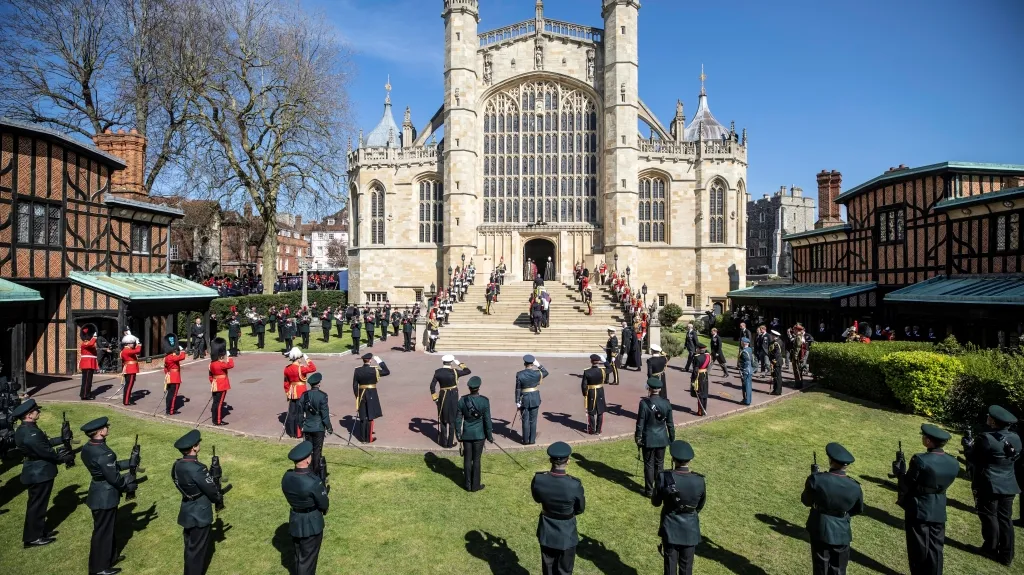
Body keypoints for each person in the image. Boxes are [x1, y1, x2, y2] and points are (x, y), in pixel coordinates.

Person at [893, 424, 959, 575]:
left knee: (918, 548)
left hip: (919, 508)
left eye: (924, 436)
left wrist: (899, 473)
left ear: (929, 441)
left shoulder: (920, 460)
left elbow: (907, 484)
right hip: (939, 508)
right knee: (936, 548)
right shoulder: (953, 462)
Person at [81, 416, 137, 575]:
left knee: (107, 529)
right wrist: (127, 485)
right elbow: (114, 478)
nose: (108, 428)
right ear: (100, 431)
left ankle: (109, 558)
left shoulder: (88, 448)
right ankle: (99, 569)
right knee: (103, 533)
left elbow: (108, 468)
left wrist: (129, 463)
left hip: (97, 491)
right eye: (106, 427)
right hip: (105, 497)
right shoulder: (104, 453)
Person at [965, 405, 1021, 566]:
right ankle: (1006, 555)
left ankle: (989, 548)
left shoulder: (985, 438)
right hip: (1009, 482)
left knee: (989, 516)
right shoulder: (1016, 438)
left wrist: (968, 446)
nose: (987, 417)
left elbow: (973, 459)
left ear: (994, 422)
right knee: (1005, 519)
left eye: (989, 416)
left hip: (989, 483)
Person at [13, 399, 73, 548]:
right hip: (39, 472)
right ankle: (33, 538)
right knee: (37, 506)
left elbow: (43, 443)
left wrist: (62, 438)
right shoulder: (30, 433)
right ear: (29, 415)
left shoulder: (27, 429)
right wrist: (61, 457)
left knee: (38, 505)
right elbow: (45, 451)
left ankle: (37, 532)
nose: (38, 412)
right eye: (36, 411)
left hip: (37, 471)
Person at [802, 442, 864, 575]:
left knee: (821, 568)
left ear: (830, 460)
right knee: (839, 569)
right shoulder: (855, 486)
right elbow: (858, 509)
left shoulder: (817, 480)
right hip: (842, 531)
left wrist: (813, 479)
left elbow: (806, 501)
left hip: (820, 528)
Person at [172, 430, 224, 575]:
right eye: (198, 443)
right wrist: (218, 497)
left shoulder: (178, 465)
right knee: (197, 550)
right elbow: (212, 491)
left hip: (187, 510)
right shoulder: (198, 468)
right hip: (199, 513)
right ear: (194, 447)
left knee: (190, 547)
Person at [652, 440, 706, 575]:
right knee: (687, 568)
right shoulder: (699, 480)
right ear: (689, 461)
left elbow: (656, 502)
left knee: (670, 567)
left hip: (670, 527)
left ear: (673, 458)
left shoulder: (664, 477)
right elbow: (700, 505)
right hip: (690, 528)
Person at [532, 442, 586, 575]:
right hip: (566, 534)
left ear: (550, 460)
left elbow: (537, 498)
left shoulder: (539, 479)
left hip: (547, 531)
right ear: (568, 461)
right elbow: (580, 508)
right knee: (564, 571)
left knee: (548, 569)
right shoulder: (574, 484)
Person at [282, 441, 329, 575]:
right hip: (311, 523)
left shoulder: (287, 476)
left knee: (299, 556)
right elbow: (324, 504)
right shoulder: (313, 482)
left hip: (296, 520)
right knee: (308, 561)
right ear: (307, 460)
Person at [637, 377, 675, 497]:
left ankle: (649, 490)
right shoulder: (666, 403)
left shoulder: (644, 403)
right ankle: (659, 489)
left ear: (649, 388)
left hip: (648, 438)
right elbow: (670, 423)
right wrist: (672, 437)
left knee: (648, 465)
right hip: (662, 437)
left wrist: (638, 437)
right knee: (660, 464)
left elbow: (640, 423)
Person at [456, 375, 494, 492]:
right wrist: (489, 436)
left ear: (469, 388)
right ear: (478, 387)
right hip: (479, 435)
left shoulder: (462, 400)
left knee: (467, 459)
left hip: (466, 434)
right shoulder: (484, 401)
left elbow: (458, 419)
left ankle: (467, 485)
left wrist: (458, 434)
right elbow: (487, 420)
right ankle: (475, 485)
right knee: (476, 460)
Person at [431, 355, 471, 448]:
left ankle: (443, 442)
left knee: (443, 418)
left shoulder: (438, 372)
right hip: (453, 396)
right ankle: (450, 442)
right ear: (451, 362)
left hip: (442, 395)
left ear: (443, 362)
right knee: (452, 419)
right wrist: (459, 363)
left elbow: (432, 386)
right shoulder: (455, 372)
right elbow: (468, 371)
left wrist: (435, 398)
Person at [300, 372, 333, 477]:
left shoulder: (304, 395)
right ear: (319, 383)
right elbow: (325, 414)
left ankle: (308, 471)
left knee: (308, 451)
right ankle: (315, 473)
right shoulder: (323, 396)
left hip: (307, 427)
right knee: (317, 451)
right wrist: (329, 427)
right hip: (318, 428)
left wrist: (301, 425)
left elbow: (300, 412)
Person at [353, 353, 389, 443]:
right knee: (370, 416)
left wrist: (357, 396)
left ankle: (362, 438)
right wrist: (380, 361)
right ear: (370, 360)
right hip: (371, 394)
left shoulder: (357, 370)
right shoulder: (374, 370)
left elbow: (354, 385)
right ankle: (368, 438)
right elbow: (387, 371)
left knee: (362, 416)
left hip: (361, 394)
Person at [284, 347, 317, 438]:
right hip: (301, 392)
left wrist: (287, 392)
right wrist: (307, 358)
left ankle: (291, 432)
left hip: (291, 392)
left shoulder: (287, 369)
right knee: (300, 413)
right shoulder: (301, 368)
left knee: (292, 412)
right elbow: (313, 368)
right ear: (298, 358)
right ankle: (299, 433)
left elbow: (286, 382)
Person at [515, 355, 548, 445]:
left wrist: (517, 401)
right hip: (535, 398)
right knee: (533, 420)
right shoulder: (537, 373)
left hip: (524, 398)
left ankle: (525, 440)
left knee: (525, 420)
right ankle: (532, 440)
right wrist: (539, 365)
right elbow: (545, 372)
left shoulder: (519, 374)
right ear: (532, 364)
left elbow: (518, 389)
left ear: (524, 363)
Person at [208, 338, 234, 426]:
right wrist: (229, 356)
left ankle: (214, 419)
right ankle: (218, 421)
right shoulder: (220, 364)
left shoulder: (211, 364)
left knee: (215, 402)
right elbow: (231, 365)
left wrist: (213, 382)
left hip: (215, 384)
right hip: (221, 384)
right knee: (219, 404)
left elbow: (210, 376)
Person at [581, 354, 607, 435]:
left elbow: (584, 385)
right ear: (599, 361)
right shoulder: (602, 370)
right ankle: (598, 430)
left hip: (591, 392)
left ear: (591, 361)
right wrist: (605, 362)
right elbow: (611, 368)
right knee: (600, 411)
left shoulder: (587, 371)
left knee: (591, 411)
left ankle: (592, 429)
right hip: (600, 391)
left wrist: (585, 393)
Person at [164, 343, 188, 415]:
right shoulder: (171, 357)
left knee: (170, 394)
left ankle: (168, 409)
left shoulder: (166, 357)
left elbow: (165, 369)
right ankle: (171, 410)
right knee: (173, 395)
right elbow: (182, 357)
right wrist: (182, 350)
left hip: (169, 376)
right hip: (175, 377)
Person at [120, 334, 142, 405]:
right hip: (130, 369)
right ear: (128, 344)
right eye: (132, 343)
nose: (133, 344)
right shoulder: (126, 350)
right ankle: (126, 401)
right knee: (129, 386)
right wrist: (138, 343)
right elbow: (138, 350)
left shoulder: (127, 349)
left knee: (128, 385)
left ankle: (127, 400)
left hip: (130, 369)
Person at [690, 343, 711, 416]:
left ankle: (700, 411)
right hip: (705, 375)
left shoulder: (697, 357)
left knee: (699, 393)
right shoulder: (708, 356)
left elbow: (695, 370)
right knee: (704, 392)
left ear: (699, 349)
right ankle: (704, 409)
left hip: (699, 376)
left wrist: (693, 380)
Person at [79, 324, 99, 400]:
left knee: (88, 380)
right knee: (87, 380)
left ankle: (86, 393)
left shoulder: (89, 344)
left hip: (90, 363)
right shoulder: (85, 343)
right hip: (87, 363)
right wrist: (94, 337)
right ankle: (84, 395)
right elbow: (90, 344)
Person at [737, 338, 754, 406]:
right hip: (749, 369)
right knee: (748, 385)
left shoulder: (744, 352)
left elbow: (746, 362)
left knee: (746, 386)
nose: (741, 342)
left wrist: (742, 369)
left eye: (741, 341)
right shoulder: (749, 349)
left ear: (744, 343)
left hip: (746, 370)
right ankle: (747, 399)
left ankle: (747, 401)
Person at [768, 331, 784, 395]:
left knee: (777, 376)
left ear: (775, 336)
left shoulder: (777, 343)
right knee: (775, 376)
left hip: (776, 361)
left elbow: (777, 353)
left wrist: (773, 361)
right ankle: (776, 390)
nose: (771, 336)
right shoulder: (776, 341)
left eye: (772, 335)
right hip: (775, 361)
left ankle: (777, 391)